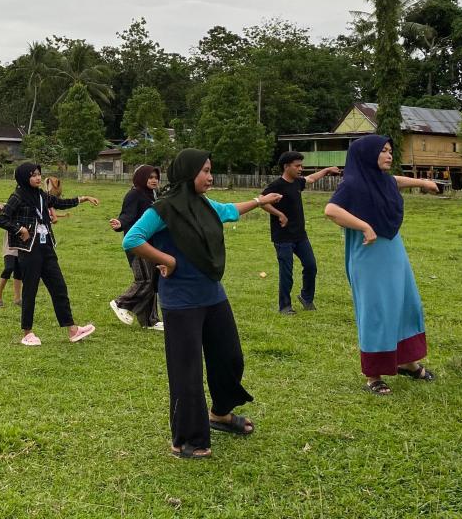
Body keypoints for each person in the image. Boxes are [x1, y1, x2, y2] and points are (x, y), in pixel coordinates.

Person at [123, 149, 279, 459]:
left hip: (212, 294)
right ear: (187, 173)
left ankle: (219, 414)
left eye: (211, 170)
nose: (210, 176)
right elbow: (133, 238)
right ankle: (187, 440)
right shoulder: (163, 209)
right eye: (205, 171)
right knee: (187, 372)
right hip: (181, 302)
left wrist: (261, 201)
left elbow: (229, 210)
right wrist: (165, 259)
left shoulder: (204, 205)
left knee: (229, 357)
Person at [324, 135, 441, 395]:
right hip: (369, 257)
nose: (389, 155)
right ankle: (373, 375)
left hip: (393, 252)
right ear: (367, 155)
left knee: (406, 304)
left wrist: (422, 182)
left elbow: (397, 181)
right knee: (376, 311)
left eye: (390, 151)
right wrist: (364, 226)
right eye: (383, 151)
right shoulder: (352, 184)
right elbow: (331, 210)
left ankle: (408, 362)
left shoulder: (384, 181)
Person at [0, 163, 99, 346]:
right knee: (30, 291)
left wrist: (85, 198)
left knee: (59, 287)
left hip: (47, 248)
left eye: (38, 174)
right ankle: (27, 333)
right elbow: (1, 218)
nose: (37, 178)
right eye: (33, 175)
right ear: (23, 177)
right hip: (29, 250)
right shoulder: (17, 196)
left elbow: (61, 203)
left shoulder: (41, 196)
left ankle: (73, 329)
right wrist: (20, 229)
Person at [260, 152, 340, 315]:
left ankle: (306, 297)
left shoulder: (297, 182)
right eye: (297, 166)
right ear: (286, 166)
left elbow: (311, 179)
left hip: (300, 235)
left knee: (311, 266)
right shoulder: (277, 185)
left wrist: (326, 170)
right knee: (286, 272)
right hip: (283, 237)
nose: (300, 169)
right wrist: (279, 214)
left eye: (301, 165)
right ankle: (284, 306)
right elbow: (262, 200)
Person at [108, 164, 164, 330]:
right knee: (145, 279)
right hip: (137, 244)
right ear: (141, 178)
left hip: (151, 243)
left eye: (156, 177)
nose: (154, 180)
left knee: (153, 281)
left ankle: (150, 320)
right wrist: (119, 224)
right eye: (150, 177)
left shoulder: (153, 194)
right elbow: (127, 215)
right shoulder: (134, 194)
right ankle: (120, 303)